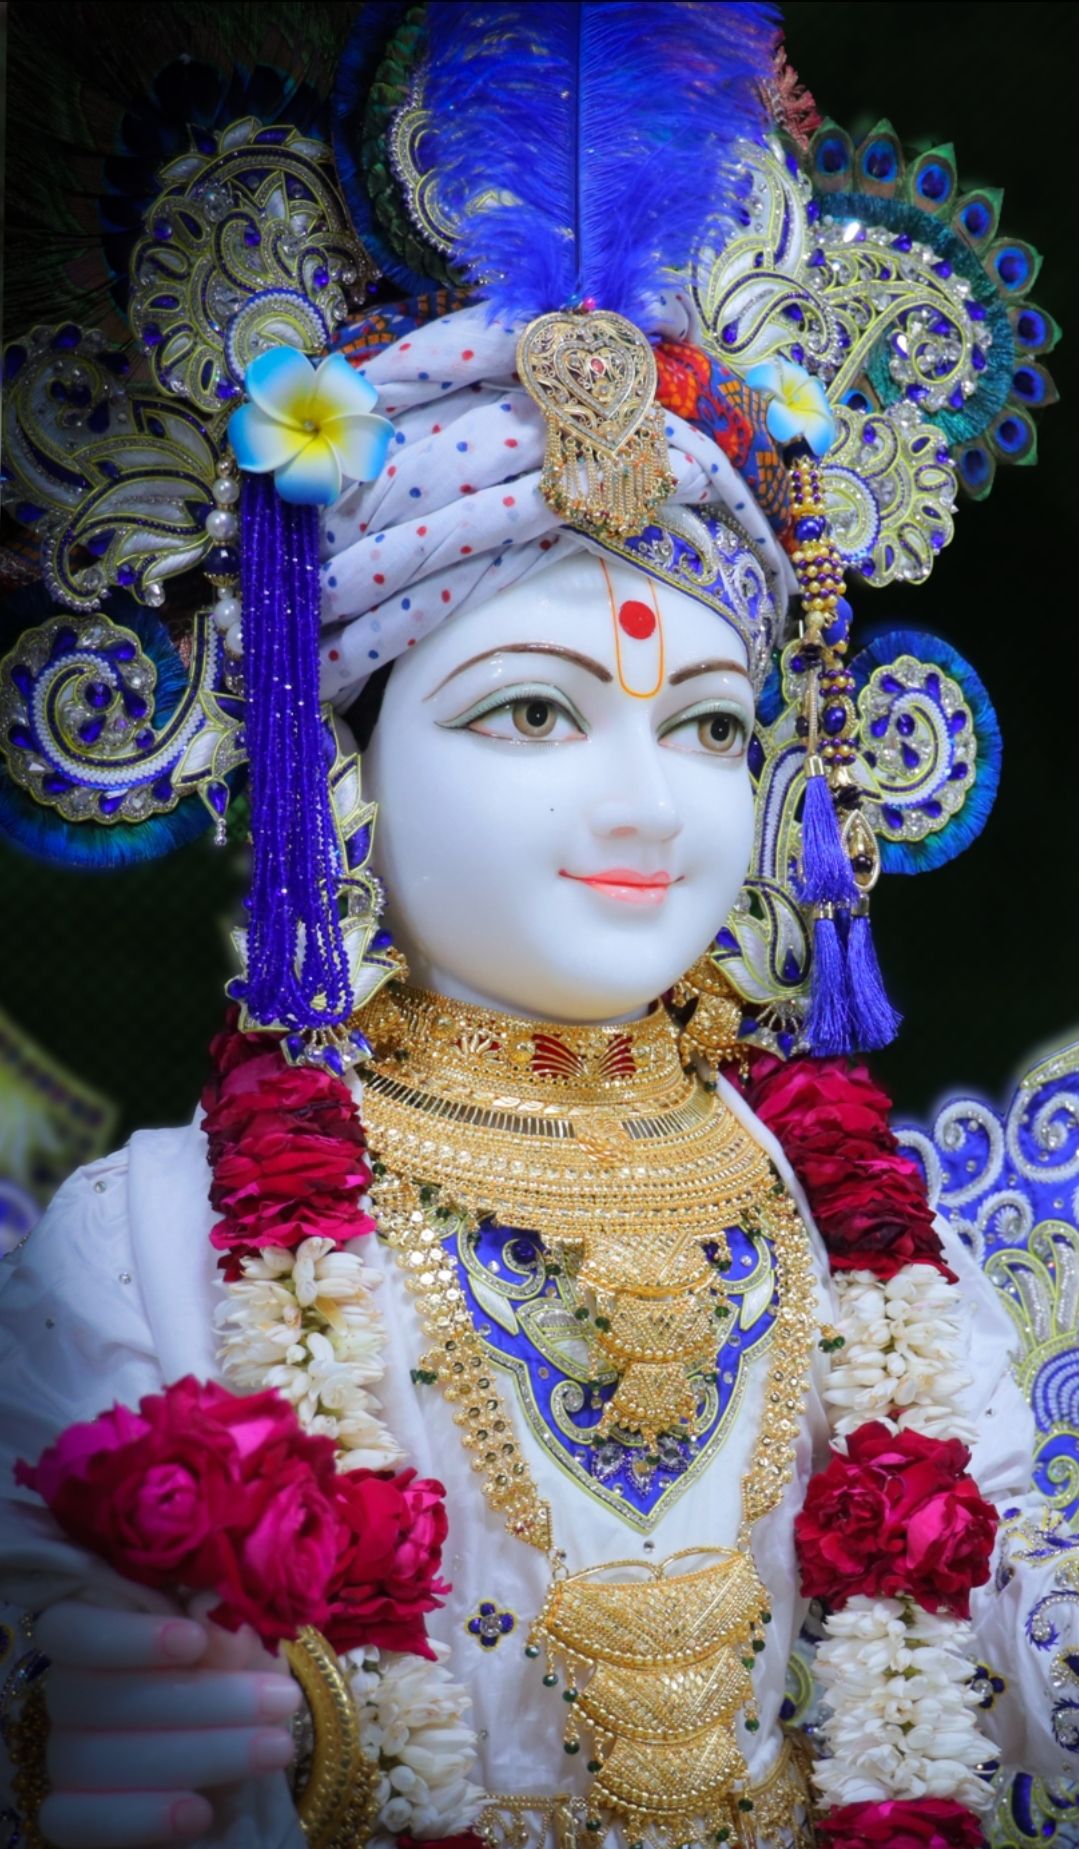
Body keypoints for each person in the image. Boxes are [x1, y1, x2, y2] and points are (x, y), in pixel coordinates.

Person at [0, 6, 1073, 1849]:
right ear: (336, 769)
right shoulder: (156, 1249)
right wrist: (56, 1755)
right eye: (528, 711)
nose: (648, 802)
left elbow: (1018, 1685)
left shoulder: (856, 1233)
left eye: (714, 724)